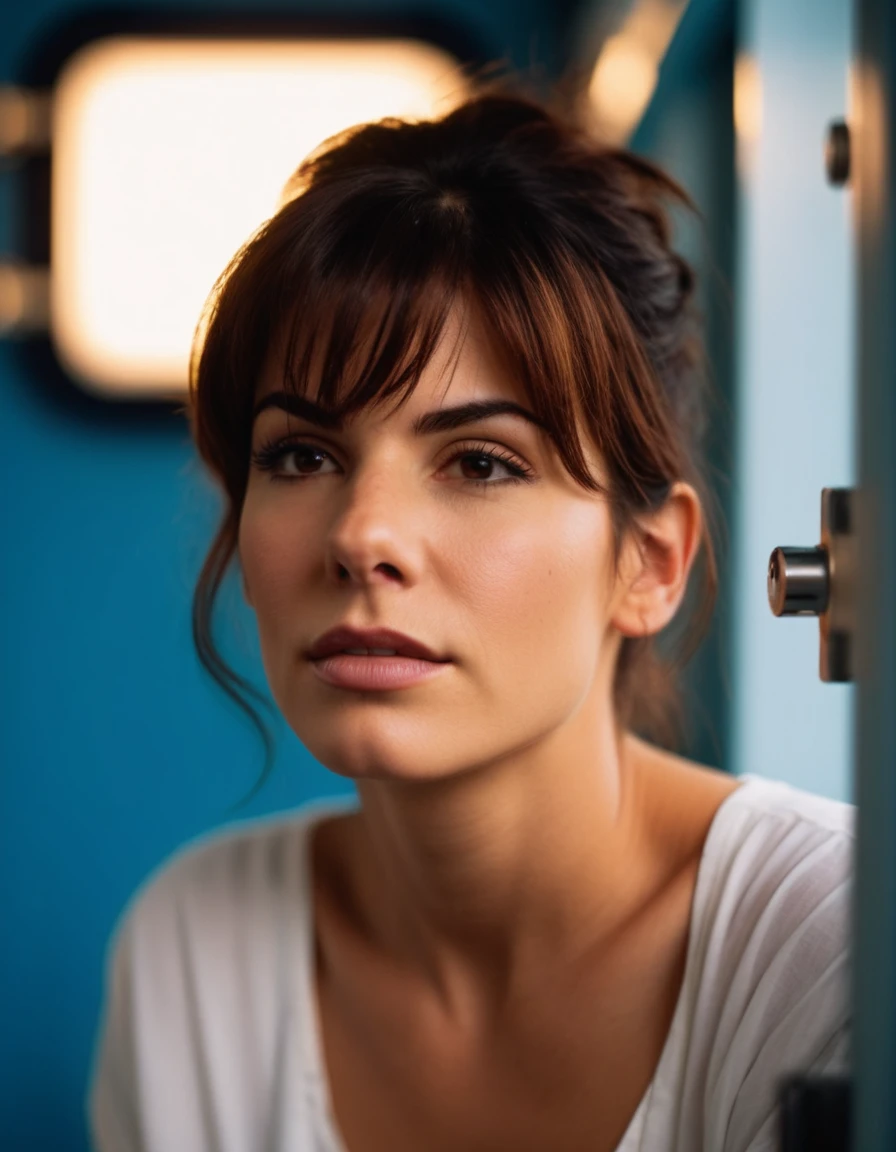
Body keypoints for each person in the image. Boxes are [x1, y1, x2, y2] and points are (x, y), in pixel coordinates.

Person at [88, 88, 853, 1152]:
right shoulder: (189, 955)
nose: (362, 535)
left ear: (648, 562)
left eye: (481, 462)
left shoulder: (832, 943)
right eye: (301, 456)